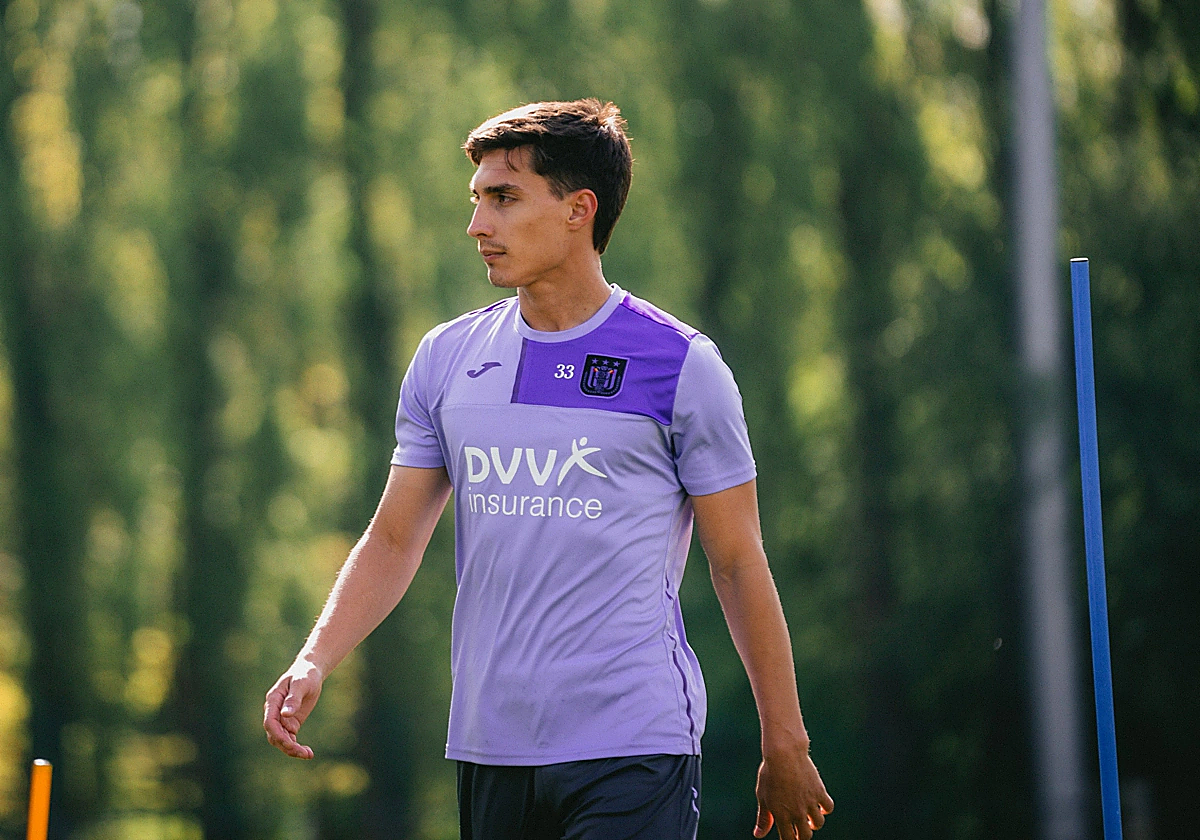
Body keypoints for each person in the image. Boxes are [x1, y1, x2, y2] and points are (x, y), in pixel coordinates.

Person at [264, 98, 833, 840]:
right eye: (477, 201)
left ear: (578, 210)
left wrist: (783, 737)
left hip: (633, 743)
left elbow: (735, 558)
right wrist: (314, 660)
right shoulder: (446, 359)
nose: (477, 225)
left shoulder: (681, 365)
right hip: (489, 746)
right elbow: (395, 540)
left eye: (503, 198)